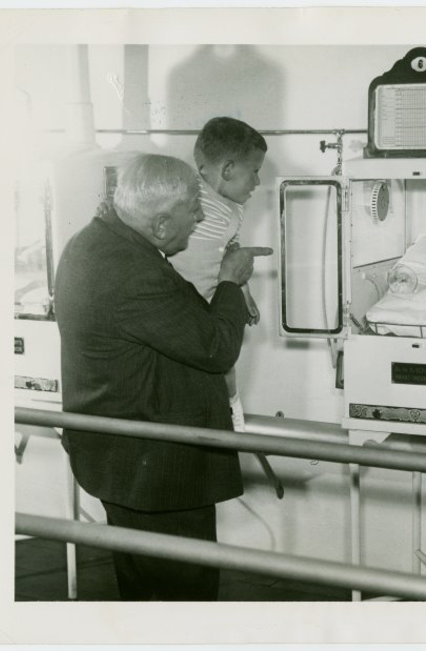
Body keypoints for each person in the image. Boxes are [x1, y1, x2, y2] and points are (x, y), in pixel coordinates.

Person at [55, 153, 272, 601]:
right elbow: (214, 348)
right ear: (157, 224)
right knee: (185, 598)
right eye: (194, 207)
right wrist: (230, 282)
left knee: (142, 590)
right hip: (157, 473)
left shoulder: (92, 243)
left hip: (122, 461)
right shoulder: (134, 272)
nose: (199, 217)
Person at [169, 117, 266, 433]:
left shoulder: (233, 205)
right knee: (209, 364)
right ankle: (228, 413)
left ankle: (232, 409)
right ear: (227, 170)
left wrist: (243, 293)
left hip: (213, 299)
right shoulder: (189, 197)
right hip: (183, 305)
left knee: (225, 363)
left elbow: (229, 249)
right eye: (254, 171)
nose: (257, 181)